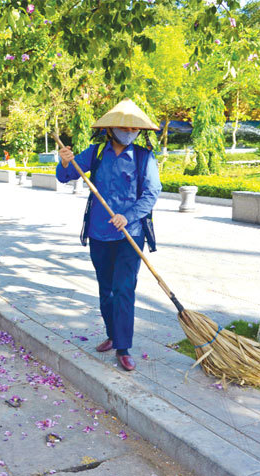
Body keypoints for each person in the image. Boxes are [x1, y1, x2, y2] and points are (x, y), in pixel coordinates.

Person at [56, 98, 161, 371]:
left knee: (124, 289)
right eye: (124, 127)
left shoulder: (143, 157)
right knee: (106, 289)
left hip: (130, 234)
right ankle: (113, 334)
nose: (129, 132)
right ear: (111, 128)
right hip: (100, 233)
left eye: (134, 128)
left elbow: (151, 194)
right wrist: (65, 162)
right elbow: (65, 176)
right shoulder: (96, 153)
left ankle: (123, 347)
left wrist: (128, 216)